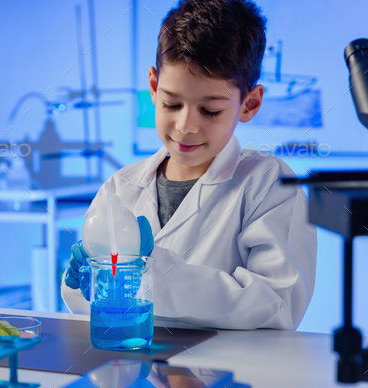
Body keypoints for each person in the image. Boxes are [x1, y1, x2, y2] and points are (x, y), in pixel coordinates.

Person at [61, 0, 317, 330]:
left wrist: (151, 271)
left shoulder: (269, 183)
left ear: (249, 104)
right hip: (133, 371)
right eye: (172, 103)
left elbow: (277, 306)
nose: (185, 126)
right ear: (153, 88)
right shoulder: (120, 187)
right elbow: (89, 310)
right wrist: (85, 280)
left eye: (210, 111)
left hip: (226, 377)